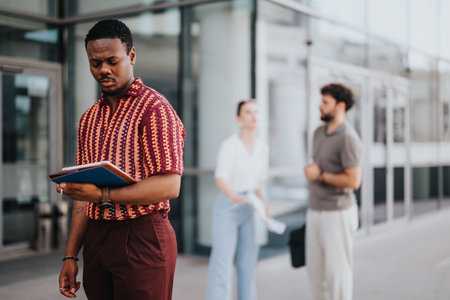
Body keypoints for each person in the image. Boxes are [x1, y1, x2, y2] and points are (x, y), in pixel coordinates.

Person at [57, 19, 185, 300]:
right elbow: (84, 195)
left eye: (112, 61)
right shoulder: (89, 118)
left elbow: (169, 186)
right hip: (96, 238)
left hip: (143, 235)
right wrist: (71, 256)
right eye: (95, 63)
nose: (103, 69)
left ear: (132, 56)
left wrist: (102, 194)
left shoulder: (155, 108)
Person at [206, 99, 270, 300]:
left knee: (247, 263)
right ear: (239, 119)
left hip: (251, 205)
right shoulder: (230, 145)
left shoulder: (262, 148)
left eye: (256, 112)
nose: (253, 116)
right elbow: (220, 178)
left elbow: (257, 181)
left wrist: (265, 202)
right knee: (222, 263)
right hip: (229, 204)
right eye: (248, 112)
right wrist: (234, 196)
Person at [303, 83, 362, 300]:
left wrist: (320, 175)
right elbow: (315, 167)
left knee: (338, 276)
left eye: (325, 102)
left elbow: (354, 180)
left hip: (337, 214)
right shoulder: (318, 133)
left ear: (341, 106)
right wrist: (311, 172)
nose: (320, 106)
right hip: (315, 211)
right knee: (316, 275)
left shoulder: (348, 138)